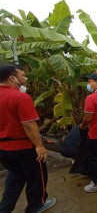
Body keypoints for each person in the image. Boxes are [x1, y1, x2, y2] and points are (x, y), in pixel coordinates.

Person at [0, 64, 56, 212]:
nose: (25, 78)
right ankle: (36, 205)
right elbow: (29, 124)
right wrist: (39, 146)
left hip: (4, 149)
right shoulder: (20, 97)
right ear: (13, 78)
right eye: (23, 75)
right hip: (24, 147)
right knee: (37, 177)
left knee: (15, 177)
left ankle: (5, 208)